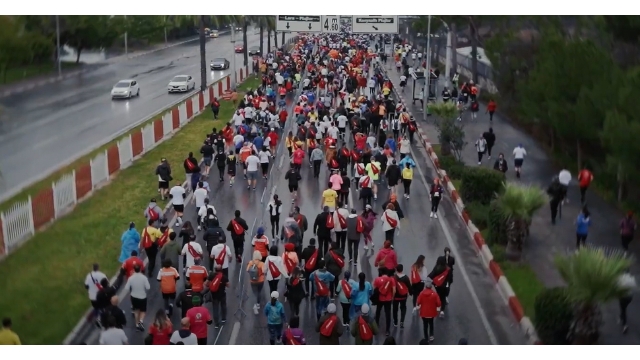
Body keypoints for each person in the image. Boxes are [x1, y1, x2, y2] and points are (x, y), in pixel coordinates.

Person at [126, 264, 150, 331]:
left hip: (134, 297)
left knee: (136, 311)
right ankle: (141, 321)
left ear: (134, 270)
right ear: (140, 269)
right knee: (143, 310)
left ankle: (137, 324)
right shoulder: (144, 278)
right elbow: (148, 287)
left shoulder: (130, 278)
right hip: (142, 297)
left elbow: (127, 287)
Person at [416, 278, 441, 343]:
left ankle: (426, 338)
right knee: (431, 324)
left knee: (425, 325)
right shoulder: (434, 294)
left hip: (424, 313)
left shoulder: (421, 293)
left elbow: (418, 302)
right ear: (431, 286)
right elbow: (438, 303)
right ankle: (431, 335)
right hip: (432, 313)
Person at [373, 270, 395, 337]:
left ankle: (376, 325)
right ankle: (387, 330)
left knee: (378, 311)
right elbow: (394, 290)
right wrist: (392, 298)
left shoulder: (377, 279)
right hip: (388, 299)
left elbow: (375, 289)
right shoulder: (391, 279)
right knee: (388, 314)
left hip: (380, 298)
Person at [247, 250, 266, 314]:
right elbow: (264, 272)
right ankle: (258, 304)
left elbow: (247, 270)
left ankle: (255, 304)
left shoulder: (250, 262)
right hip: (260, 280)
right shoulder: (261, 264)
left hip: (252, 281)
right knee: (259, 292)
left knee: (255, 292)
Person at [393, 264, 411, 328]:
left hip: (396, 296)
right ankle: (402, 322)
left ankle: (395, 322)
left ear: (396, 270)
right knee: (403, 308)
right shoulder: (406, 277)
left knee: (395, 309)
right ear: (402, 269)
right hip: (404, 296)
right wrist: (410, 293)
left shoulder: (394, 277)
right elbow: (409, 286)